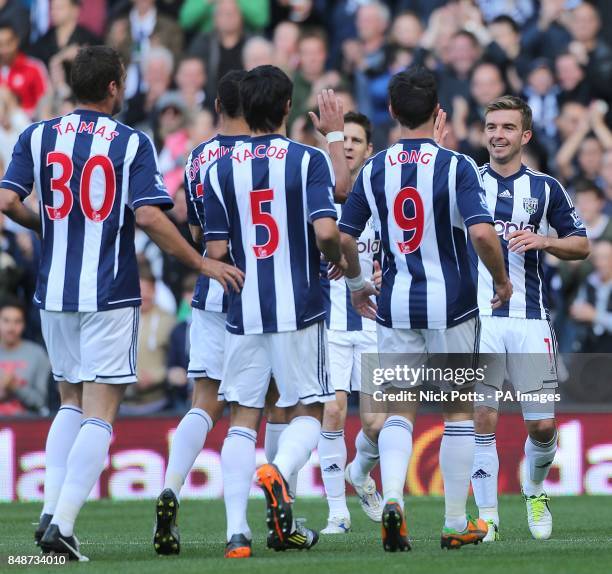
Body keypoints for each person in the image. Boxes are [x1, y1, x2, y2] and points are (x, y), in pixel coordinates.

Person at [0, 45, 243, 561]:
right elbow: (151, 217)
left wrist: (47, 224)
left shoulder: (38, 134)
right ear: (114, 87)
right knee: (101, 410)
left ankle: (49, 511)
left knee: (70, 399)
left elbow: (6, 201)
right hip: (109, 291)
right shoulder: (130, 142)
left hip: (54, 291)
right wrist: (200, 263)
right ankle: (63, 524)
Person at [338, 67, 511, 552]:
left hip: (394, 304)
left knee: (398, 408)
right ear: (439, 112)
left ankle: (393, 499)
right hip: (452, 305)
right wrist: (500, 280)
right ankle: (456, 521)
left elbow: (345, 237)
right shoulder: (457, 166)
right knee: (457, 411)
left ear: (391, 112)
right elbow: (480, 232)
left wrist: (356, 283)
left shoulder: (373, 169)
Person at [203, 65, 345, 558]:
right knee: (310, 407)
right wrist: (339, 262)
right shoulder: (308, 160)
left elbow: (216, 248)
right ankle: (280, 473)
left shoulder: (218, 167)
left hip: (243, 305)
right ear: (287, 107)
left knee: (242, 417)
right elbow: (327, 232)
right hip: (299, 304)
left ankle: (237, 534)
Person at [466, 96, 589, 541]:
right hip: (479, 319)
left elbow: (582, 244)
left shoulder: (545, 188)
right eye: (491, 126)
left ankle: (534, 489)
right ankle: (487, 517)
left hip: (531, 319)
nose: (497, 134)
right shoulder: (466, 180)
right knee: (482, 416)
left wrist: (543, 240)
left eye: (506, 127)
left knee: (540, 425)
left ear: (525, 135)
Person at [317, 111, 383, 534]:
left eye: (357, 140)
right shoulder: (321, 195)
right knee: (333, 412)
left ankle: (359, 473)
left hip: (376, 321)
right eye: (346, 140)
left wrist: (384, 274)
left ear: (369, 149)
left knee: (376, 423)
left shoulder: (383, 195)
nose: (351, 146)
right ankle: (337, 513)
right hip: (331, 323)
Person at [0, 299, 50, 415]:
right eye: (6, 321)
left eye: (17, 321)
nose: (11, 328)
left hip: (27, 426)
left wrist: (15, 386)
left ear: (24, 324)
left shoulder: (37, 354)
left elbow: (41, 402)